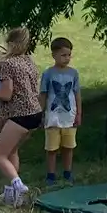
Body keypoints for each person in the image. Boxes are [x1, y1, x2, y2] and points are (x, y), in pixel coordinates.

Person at [0, 27, 43, 207]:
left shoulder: (9, 64)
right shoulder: (28, 61)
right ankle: (12, 196)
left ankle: (18, 186)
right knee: (12, 151)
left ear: (10, 43)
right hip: (35, 113)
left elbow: (6, 95)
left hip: (20, 114)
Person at [39, 37, 82, 185]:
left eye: (69, 55)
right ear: (54, 55)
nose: (67, 58)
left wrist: (78, 114)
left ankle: (67, 172)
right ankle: (51, 175)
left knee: (68, 147)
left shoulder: (73, 73)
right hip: (53, 117)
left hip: (69, 117)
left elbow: (77, 94)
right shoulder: (48, 74)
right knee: (51, 148)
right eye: (63, 55)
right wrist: (40, 113)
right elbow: (43, 94)